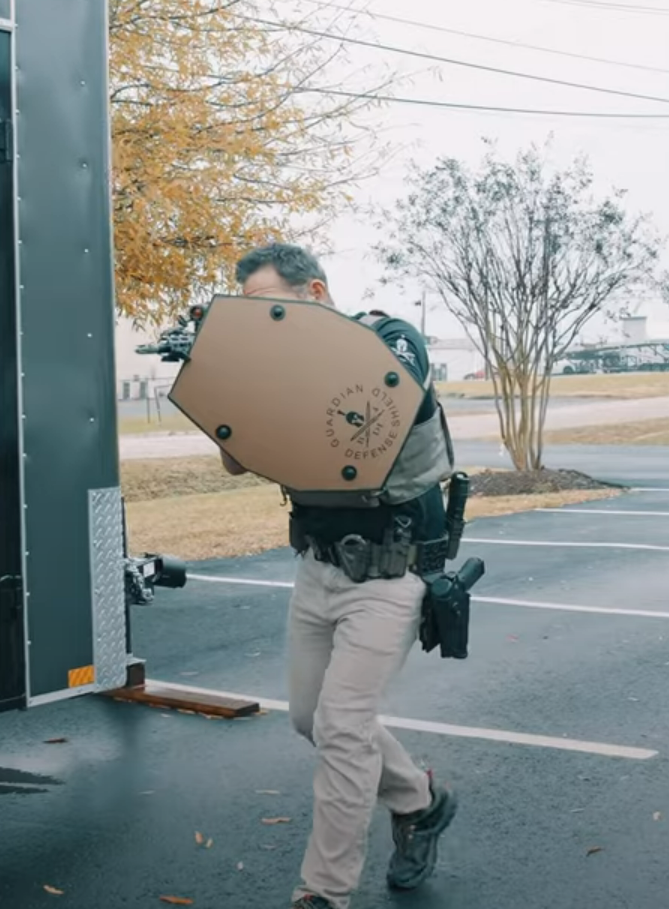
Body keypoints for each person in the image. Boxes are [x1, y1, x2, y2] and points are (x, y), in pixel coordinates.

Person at [220, 243, 459, 909]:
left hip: (389, 574)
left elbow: (379, 411)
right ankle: (419, 800)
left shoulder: (391, 337)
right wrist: (223, 383)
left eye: (271, 305)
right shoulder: (273, 369)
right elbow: (236, 460)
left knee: (344, 727)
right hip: (318, 571)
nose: (261, 322)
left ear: (316, 293)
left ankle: (322, 893)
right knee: (310, 718)